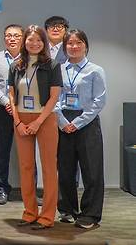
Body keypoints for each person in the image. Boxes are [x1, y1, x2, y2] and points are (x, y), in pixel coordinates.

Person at [8, 25, 63, 230]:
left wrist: (39, 121)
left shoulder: (52, 64)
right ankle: (30, 212)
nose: (34, 43)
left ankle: (47, 216)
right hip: (21, 119)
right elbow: (12, 96)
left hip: (45, 118)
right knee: (26, 167)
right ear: (25, 42)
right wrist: (18, 122)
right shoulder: (17, 65)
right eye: (30, 40)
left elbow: (55, 96)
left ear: (44, 43)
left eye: (39, 40)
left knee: (49, 168)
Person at [55, 29, 106, 230]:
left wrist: (76, 123)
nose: (74, 47)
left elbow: (99, 101)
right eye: (69, 43)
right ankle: (67, 209)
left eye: (78, 43)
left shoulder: (95, 70)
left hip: (87, 122)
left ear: (85, 45)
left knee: (91, 170)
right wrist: (61, 120)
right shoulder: (58, 70)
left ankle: (90, 213)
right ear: (64, 46)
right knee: (65, 169)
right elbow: (54, 98)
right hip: (63, 120)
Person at [0, 24, 24, 205]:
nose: (12, 39)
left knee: (28, 153)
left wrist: (18, 106)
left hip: (26, 112)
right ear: (4, 38)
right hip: (3, 111)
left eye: (16, 36)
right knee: (1, 152)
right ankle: (2, 189)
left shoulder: (31, 58)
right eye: (8, 35)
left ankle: (30, 190)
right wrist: (8, 103)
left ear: (23, 38)